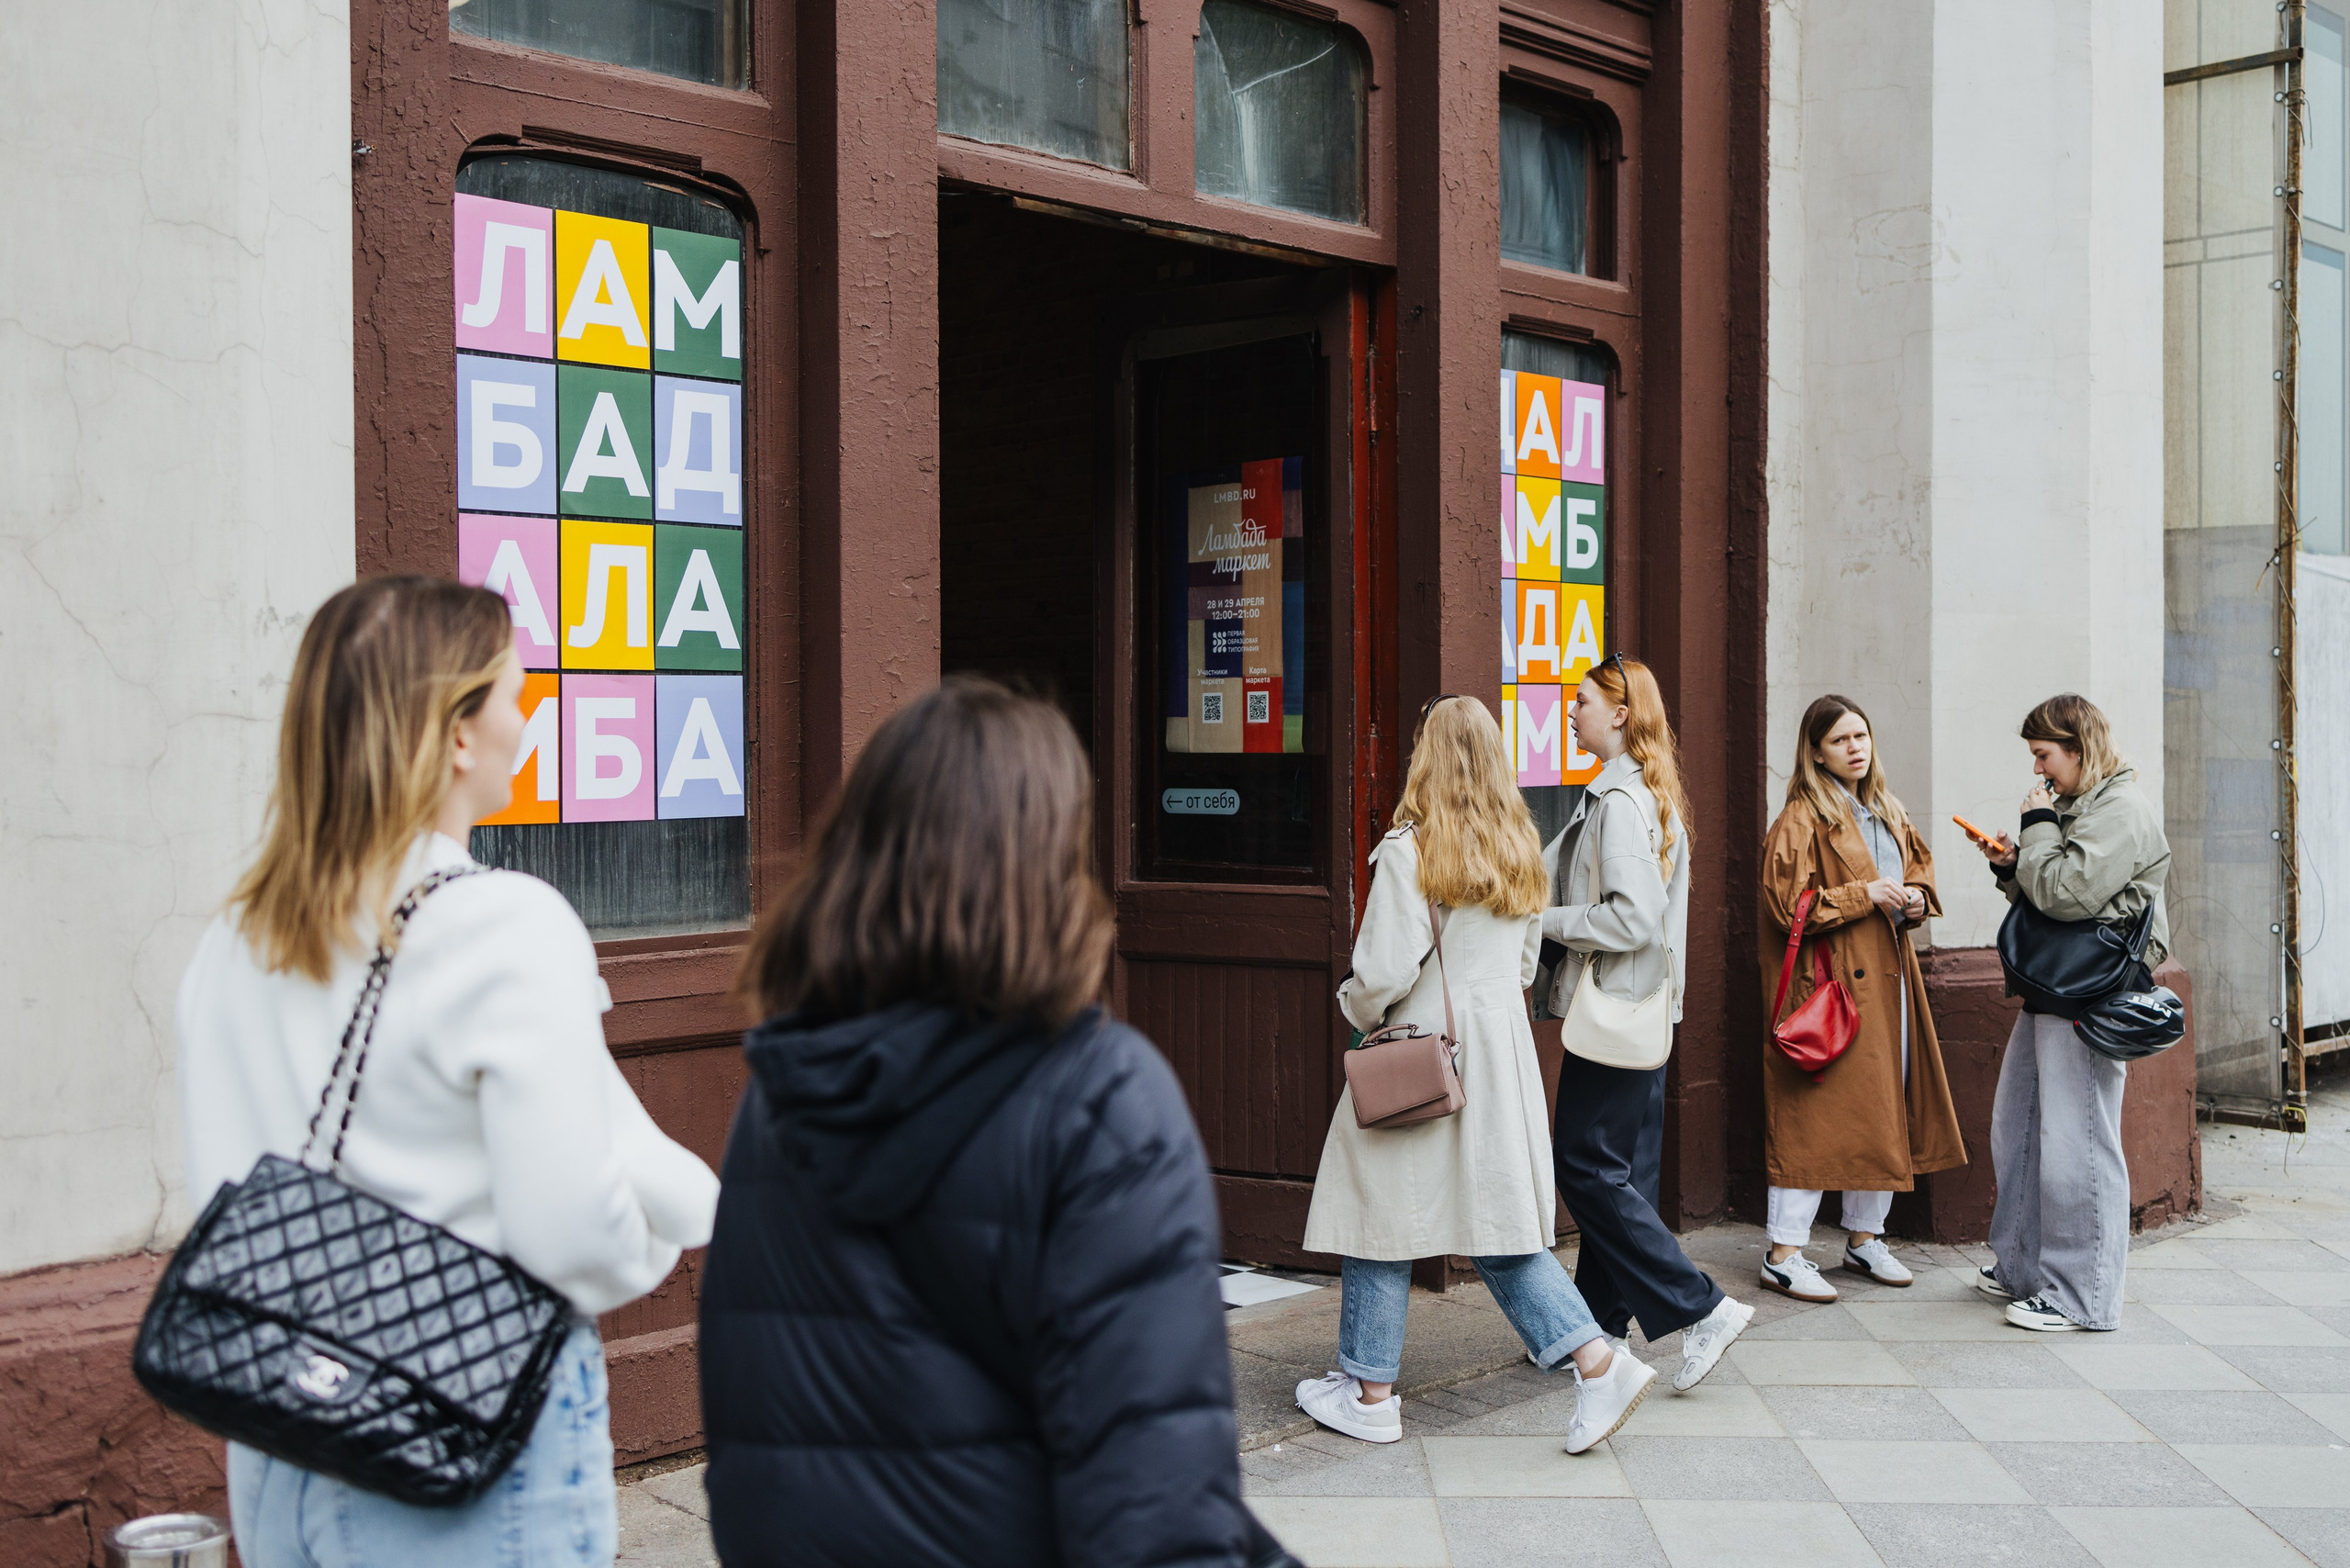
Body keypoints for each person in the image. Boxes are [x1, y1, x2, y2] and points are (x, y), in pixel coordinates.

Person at [177, 577, 720, 1568]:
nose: (529, 716)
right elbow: (576, 1242)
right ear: (459, 735)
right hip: (465, 1436)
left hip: (279, 1431)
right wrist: (657, 1240)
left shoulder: (232, 938)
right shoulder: (500, 923)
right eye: (514, 694)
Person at [699, 678, 1256, 1567]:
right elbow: (1161, 1522)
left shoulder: (781, 1095)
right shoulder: (1103, 1100)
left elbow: (748, 1453)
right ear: (1049, 860)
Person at [1300, 695, 1655, 1456]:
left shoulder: (1410, 849)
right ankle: (1594, 1361)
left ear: (1426, 756)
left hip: (1420, 1058)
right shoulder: (1521, 847)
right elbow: (1527, 965)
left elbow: (1382, 971)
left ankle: (1370, 1393)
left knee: (1379, 1207)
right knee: (1494, 1223)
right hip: (1497, 1056)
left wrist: (1351, 1004)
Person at [1543, 655, 1753, 1390]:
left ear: (1621, 714)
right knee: (1616, 1171)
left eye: (1582, 702)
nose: (1572, 714)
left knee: (1586, 1166)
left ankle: (1702, 1310)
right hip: (1642, 1010)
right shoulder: (1641, 794)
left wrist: (1545, 919)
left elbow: (1631, 917)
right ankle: (1596, 1327)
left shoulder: (1620, 804)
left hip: (1615, 1010)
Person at [1967, 693, 2171, 1333]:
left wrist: (2034, 833)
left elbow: (2063, 892)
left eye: (2044, 756)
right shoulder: (2080, 806)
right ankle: (2026, 1269)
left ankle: (2083, 1295)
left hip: (2091, 989)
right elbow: (2049, 885)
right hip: (2056, 983)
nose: (2039, 773)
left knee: (2076, 1141)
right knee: (2020, 1125)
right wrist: (2011, 866)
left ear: (2079, 748)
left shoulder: (2121, 809)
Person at [1756, 696, 1967, 1302]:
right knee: (1815, 1114)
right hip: (1831, 990)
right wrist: (1864, 894)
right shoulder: (1801, 818)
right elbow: (1784, 906)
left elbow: (1918, 875)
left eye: (1862, 735)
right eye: (1841, 739)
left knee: (1883, 1105)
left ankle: (1864, 1237)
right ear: (1815, 752)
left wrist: (1918, 900)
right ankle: (1784, 1251)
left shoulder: (1886, 810)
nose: (1856, 747)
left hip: (1887, 983)